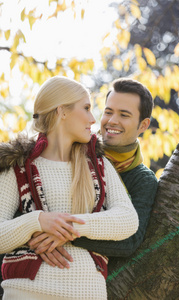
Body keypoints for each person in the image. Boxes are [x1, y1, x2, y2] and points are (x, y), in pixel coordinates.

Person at [0, 76, 139, 300]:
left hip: (88, 293)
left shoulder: (98, 164)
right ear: (62, 111)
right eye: (85, 108)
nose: (93, 119)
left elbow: (128, 220)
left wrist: (68, 228)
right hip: (24, 294)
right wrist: (38, 221)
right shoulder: (18, 164)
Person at [25, 78, 158, 271]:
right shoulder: (71, 151)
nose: (112, 121)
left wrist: (60, 235)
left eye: (124, 115)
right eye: (108, 111)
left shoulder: (142, 180)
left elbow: (130, 240)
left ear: (143, 125)